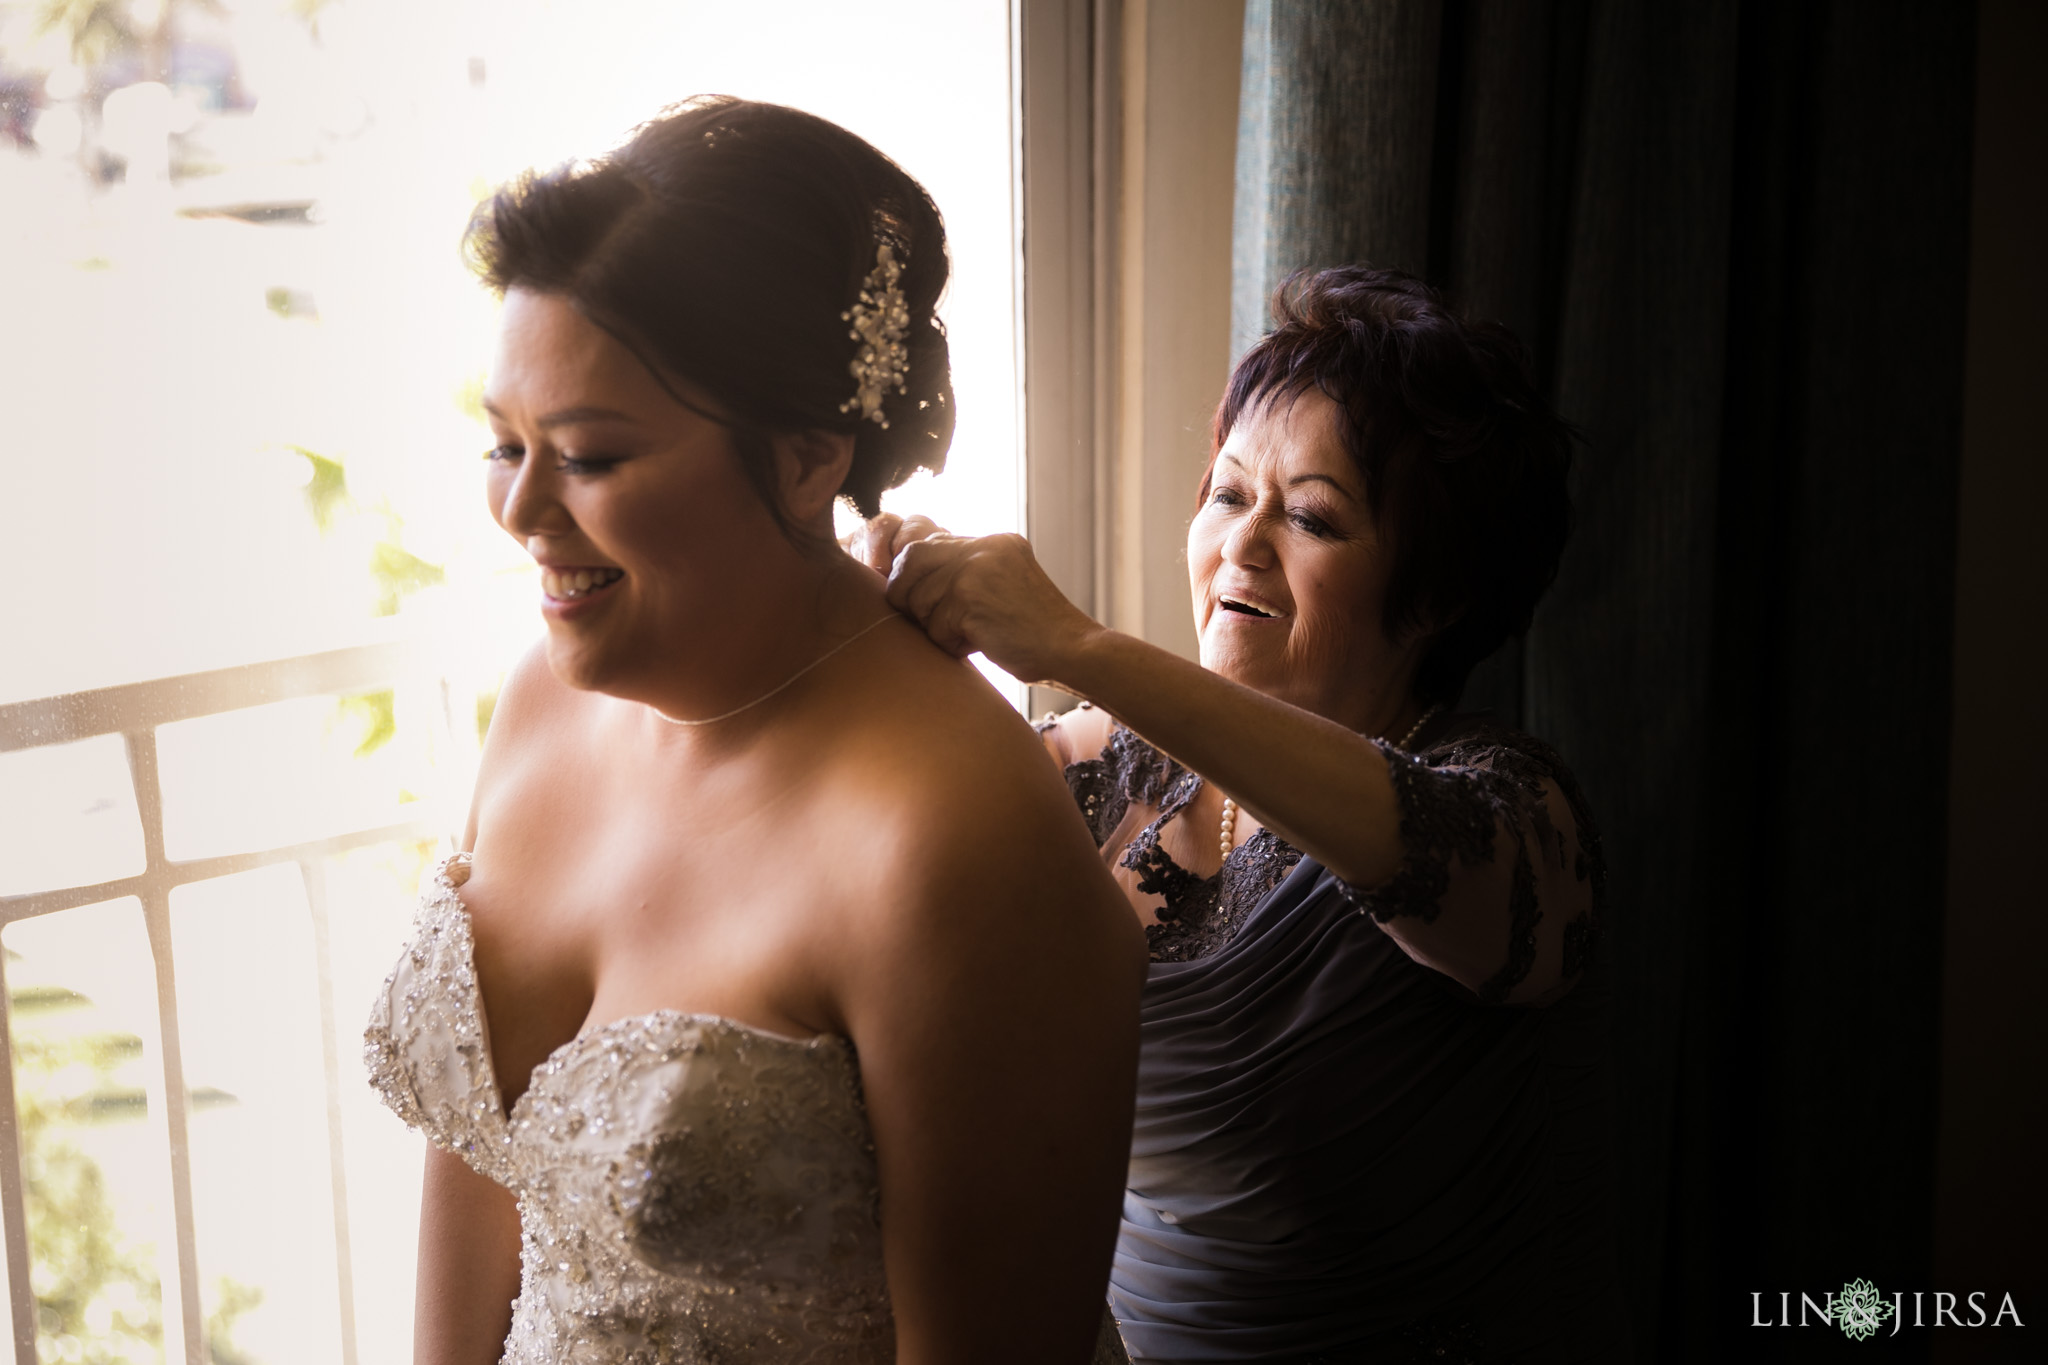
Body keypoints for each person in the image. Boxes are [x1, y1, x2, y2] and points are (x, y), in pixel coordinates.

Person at [362, 97, 1144, 1365]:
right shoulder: (539, 702)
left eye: (591, 458)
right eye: (501, 443)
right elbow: (479, 1161)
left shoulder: (947, 835)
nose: (517, 508)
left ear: (803, 458)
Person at [859, 266, 1626, 1363]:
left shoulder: (1513, 815)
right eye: (1226, 494)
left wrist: (1073, 642)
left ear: (1438, 592)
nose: (1241, 546)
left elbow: (1408, 845)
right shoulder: (1093, 773)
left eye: (1310, 516)